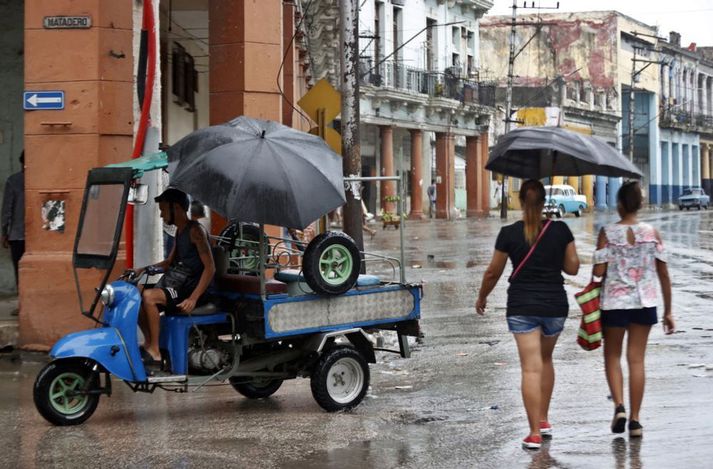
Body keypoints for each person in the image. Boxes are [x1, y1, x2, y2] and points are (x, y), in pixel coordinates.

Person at [475, 179, 580, 450]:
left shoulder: (509, 233)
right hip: (555, 305)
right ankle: (544, 420)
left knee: (531, 367)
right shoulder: (560, 230)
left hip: (522, 306)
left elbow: (493, 272)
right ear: (545, 202)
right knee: (546, 360)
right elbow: (573, 268)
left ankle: (534, 433)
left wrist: (482, 296)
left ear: (520, 201)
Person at [592, 181, 674, 438]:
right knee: (637, 360)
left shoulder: (607, 233)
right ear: (639, 204)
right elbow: (663, 274)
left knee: (613, 356)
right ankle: (636, 421)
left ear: (619, 205)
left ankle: (619, 406)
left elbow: (598, 273)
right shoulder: (652, 234)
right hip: (644, 302)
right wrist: (668, 311)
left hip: (614, 304)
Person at [133, 188, 215, 366]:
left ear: (176, 208)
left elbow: (210, 268)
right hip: (179, 283)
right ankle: (149, 342)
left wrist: (193, 299)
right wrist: (142, 269)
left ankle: (155, 351)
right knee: (136, 293)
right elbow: (169, 262)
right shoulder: (180, 231)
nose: (162, 215)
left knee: (149, 297)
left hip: (192, 289)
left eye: (163, 209)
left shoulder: (196, 232)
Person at [2, 151, 25, 297]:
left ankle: (22, 302)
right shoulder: (41, 180)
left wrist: (4, 232)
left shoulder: (13, 180)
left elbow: (7, 210)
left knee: (19, 270)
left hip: (17, 235)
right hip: (39, 235)